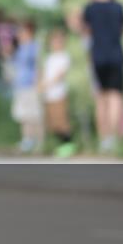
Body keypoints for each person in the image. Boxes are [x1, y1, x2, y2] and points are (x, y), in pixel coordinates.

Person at [83, 0, 123, 154]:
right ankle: (114, 139)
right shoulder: (118, 7)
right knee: (115, 97)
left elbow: (86, 30)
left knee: (101, 98)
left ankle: (104, 139)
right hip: (116, 55)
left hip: (98, 56)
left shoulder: (90, 8)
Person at [40, 27, 73, 156]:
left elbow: (60, 74)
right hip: (48, 95)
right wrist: (41, 84)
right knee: (52, 123)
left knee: (61, 121)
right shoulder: (50, 57)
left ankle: (68, 145)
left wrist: (47, 84)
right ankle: (61, 146)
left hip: (58, 94)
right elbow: (44, 73)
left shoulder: (64, 57)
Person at [10, 19, 42, 153]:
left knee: (33, 114)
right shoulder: (20, 48)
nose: (18, 34)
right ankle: (27, 140)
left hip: (31, 85)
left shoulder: (35, 46)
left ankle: (37, 142)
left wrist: (39, 82)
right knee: (23, 115)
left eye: (20, 31)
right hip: (20, 85)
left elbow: (38, 65)